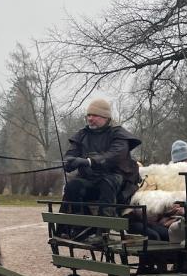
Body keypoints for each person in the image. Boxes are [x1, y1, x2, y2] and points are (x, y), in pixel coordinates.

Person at [57, 98, 141, 240]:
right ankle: (73, 227)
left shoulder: (118, 134)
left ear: (105, 117)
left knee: (106, 183)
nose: (90, 119)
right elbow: (71, 154)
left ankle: (102, 233)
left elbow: (114, 156)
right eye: (88, 115)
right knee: (73, 186)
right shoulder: (82, 134)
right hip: (90, 180)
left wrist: (89, 161)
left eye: (94, 116)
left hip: (116, 180)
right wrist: (70, 162)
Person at [129, 141, 187, 241]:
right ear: (181, 162)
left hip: (183, 220)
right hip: (168, 221)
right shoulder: (166, 178)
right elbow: (160, 205)